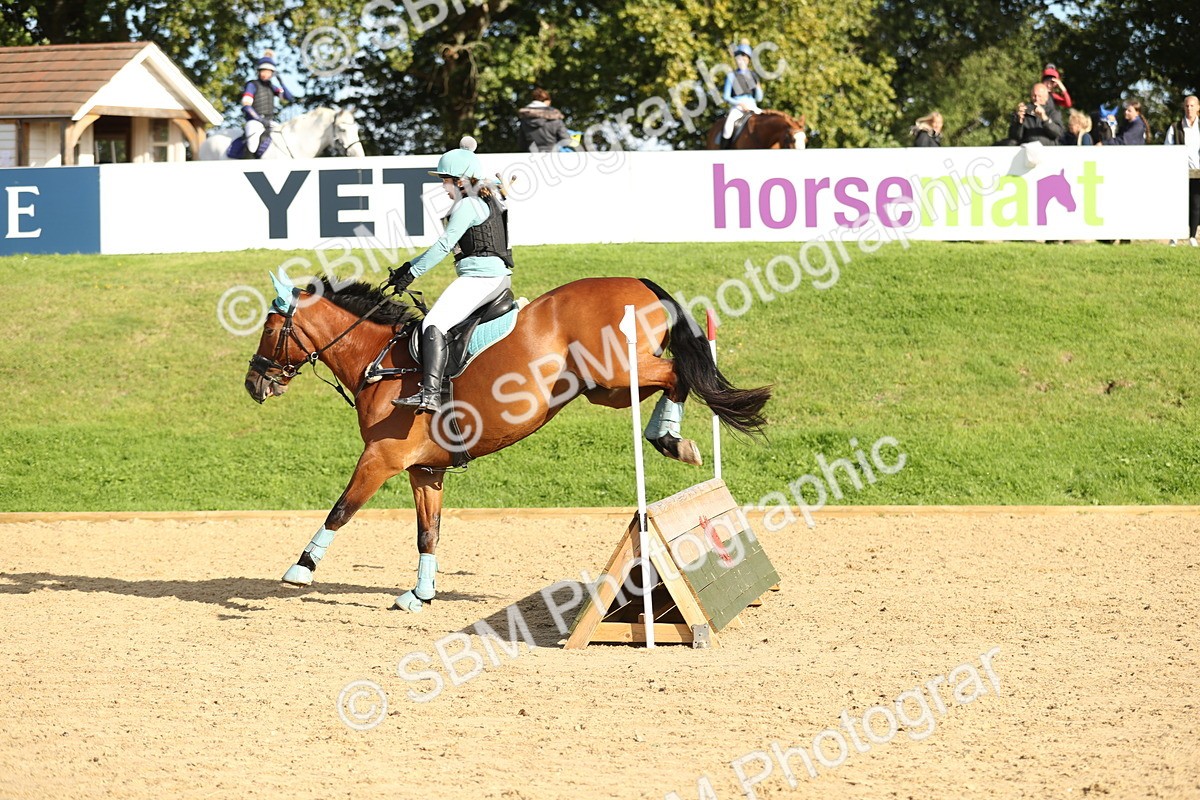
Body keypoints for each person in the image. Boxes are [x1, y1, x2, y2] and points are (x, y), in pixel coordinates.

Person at [389, 138, 514, 413]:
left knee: (433, 323)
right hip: (491, 277)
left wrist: (412, 274)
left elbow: (444, 246)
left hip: (482, 279)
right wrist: (407, 267)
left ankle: (430, 394)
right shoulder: (486, 197)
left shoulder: (468, 205)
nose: (442, 186)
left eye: (445, 180)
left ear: (459, 181)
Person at [241, 50, 294, 158]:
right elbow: (246, 106)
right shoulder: (252, 85)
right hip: (254, 121)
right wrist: (260, 119)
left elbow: (289, 98)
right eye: (263, 71)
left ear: (272, 73)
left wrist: (281, 82)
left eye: (269, 71)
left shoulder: (272, 88)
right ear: (259, 72)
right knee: (253, 141)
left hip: (269, 121)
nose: (265, 74)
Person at [1165, 95, 1200, 247]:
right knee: (1177, 203)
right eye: (1187, 106)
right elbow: (1168, 147)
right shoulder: (1175, 127)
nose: (1189, 109)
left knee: (1196, 204)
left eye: (1192, 106)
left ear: (1198, 108)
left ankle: (1192, 236)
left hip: (1197, 171)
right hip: (1179, 172)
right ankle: (1174, 236)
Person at [719, 41, 764, 148]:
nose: (742, 61)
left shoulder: (753, 75)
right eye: (739, 58)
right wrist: (740, 104)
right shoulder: (731, 75)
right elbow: (726, 97)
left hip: (752, 105)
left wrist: (758, 88)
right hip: (738, 107)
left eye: (744, 58)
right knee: (727, 127)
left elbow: (759, 98)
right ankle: (723, 151)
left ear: (748, 60)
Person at [516, 88, 573, 152]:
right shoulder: (555, 116)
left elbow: (521, 143)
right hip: (552, 156)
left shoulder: (525, 118)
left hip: (532, 157)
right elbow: (566, 140)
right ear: (546, 101)